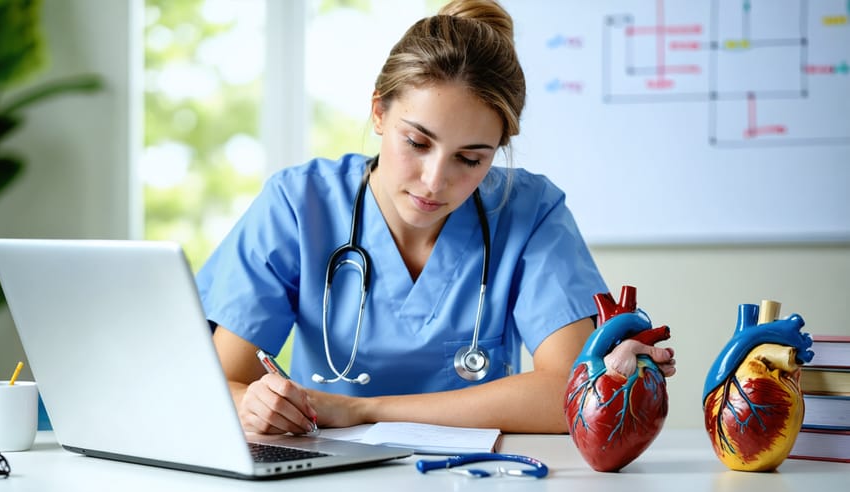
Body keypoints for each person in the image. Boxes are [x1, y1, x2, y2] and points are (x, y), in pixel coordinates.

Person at [196, 0, 676, 435]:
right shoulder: (299, 204)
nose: (434, 180)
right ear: (379, 112)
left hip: (471, 482)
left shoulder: (529, 211)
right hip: (324, 480)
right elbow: (223, 383)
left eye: (470, 159)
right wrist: (255, 404)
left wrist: (364, 409)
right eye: (417, 143)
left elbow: (571, 396)